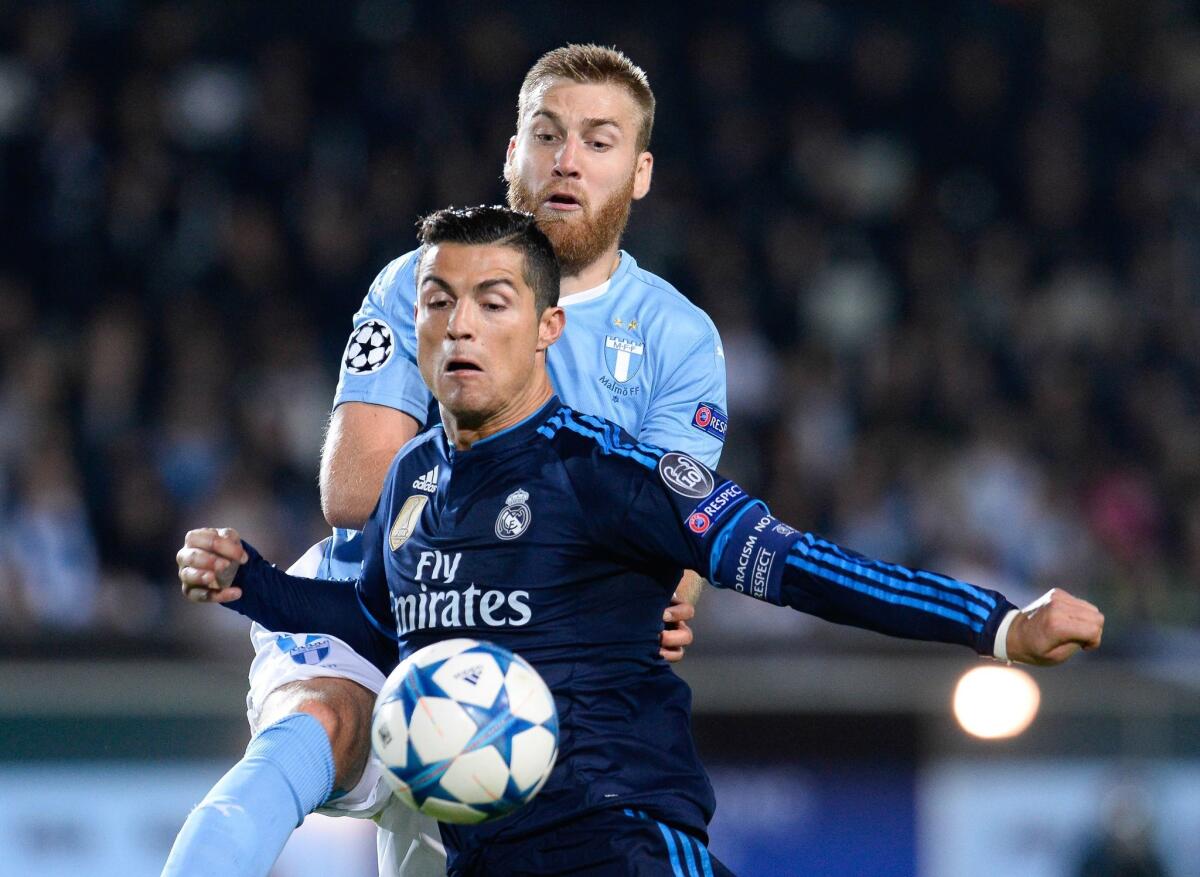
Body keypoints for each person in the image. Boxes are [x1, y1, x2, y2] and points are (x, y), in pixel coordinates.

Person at [177, 206, 1105, 876]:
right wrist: (255, 585)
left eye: (493, 301)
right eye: (438, 301)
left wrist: (997, 625)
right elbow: (375, 616)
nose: (460, 324)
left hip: (618, 840)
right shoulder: (415, 481)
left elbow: (795, 563)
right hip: (481, 857)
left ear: (547, 329)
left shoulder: (607, 472)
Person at [163, 45, 727, 876]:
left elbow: (686, 553)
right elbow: (356, 490)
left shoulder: (677, 338)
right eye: (546, 134)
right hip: (382, 599)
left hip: (546, 672)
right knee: (317, 723)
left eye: (599, 141)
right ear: (512, 156)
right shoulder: (420, 281)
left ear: (639, 173)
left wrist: (662, 586)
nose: (567, 160)